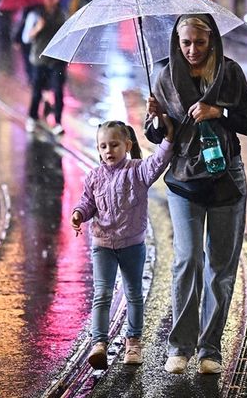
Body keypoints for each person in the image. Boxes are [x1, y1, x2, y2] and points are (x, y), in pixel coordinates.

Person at [144, 13, 247, 375]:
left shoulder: (230, 73)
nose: (192, 50)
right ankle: (180, 346)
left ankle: (210, 349)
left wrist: (218, 111)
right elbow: (157, 136)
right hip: (183, 180)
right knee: (187, 260)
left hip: (226, 180)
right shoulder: (164, 76)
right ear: (177, 43)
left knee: (220, 270)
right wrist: (155, 121)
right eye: (185, 43)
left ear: (213, 42)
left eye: (200, 42)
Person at [71, 118, 174, 369]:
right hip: (102, 244)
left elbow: (158, 162)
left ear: (127, 145)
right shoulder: (94, 177)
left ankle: (133, 341)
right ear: (98, 149)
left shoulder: (137, 171)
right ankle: (99, 343)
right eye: (104, 146)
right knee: (102, 294)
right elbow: (87, 202)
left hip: (132, 245)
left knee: (134, 294)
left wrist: (169, 139)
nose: (109, 151)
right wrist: (78, 214)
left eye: (114, 145)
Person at [22, 0, 67, 135]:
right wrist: (37, 28)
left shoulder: (62, 15)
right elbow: (26, 38)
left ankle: (58, 121)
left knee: (58, 92)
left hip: (57, 60)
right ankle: (32, 117)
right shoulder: (35, 15)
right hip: (39, 60)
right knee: (37, 91)